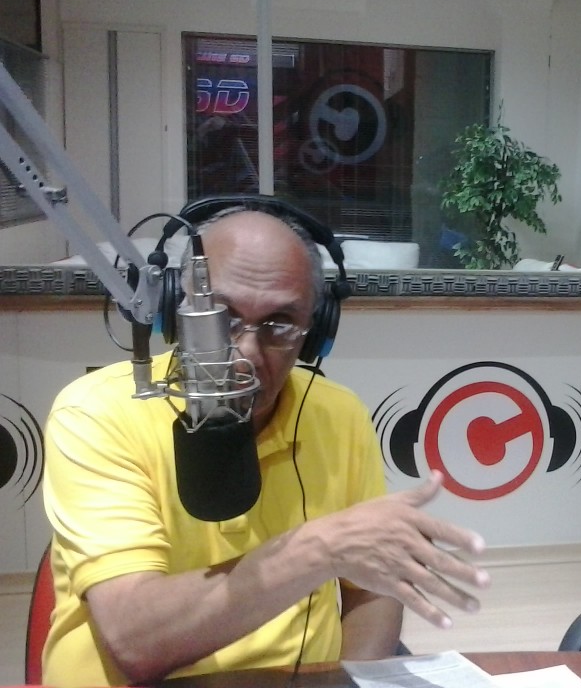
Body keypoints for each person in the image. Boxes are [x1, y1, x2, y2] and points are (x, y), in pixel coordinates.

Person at [41, 203, 490, 687]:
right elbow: (136, 641)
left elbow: (371, 594)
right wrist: (320, 547)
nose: (247, 354)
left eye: (279, 325)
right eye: (223, 319)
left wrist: (350, 681)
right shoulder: (96, 414)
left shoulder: (339, 415)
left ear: (315, 333)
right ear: (176, 312)